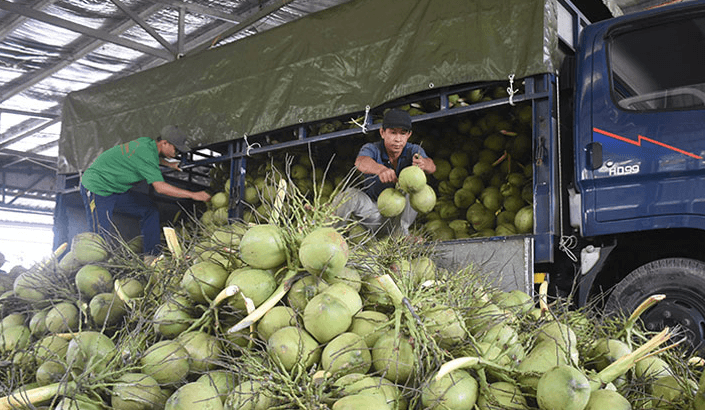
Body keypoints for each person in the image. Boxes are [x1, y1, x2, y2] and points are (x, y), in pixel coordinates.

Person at [79, 125, 211, 256]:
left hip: (116, 190)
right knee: (99, 233)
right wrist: (194, 195)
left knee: (149, 210)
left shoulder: (147, 143)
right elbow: (160, 187)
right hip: (97, 187)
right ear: (165, 143)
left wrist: (169, 164)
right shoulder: (146, 153)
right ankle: (94, 265)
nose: (176, 154)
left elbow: (150, 160)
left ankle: (151, 256)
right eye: (176, 150)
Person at [336, 109, 436, 236]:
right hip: (374, 214)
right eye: (393, 133)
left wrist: (424, 164)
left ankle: (401, 234)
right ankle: (333, 235)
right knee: (349, 195)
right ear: (382, 132)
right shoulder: (372, 148)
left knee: (415, 186)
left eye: (402, 134)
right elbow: (360, 162)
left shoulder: (413, 150)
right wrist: (380, 170)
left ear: (408, 135)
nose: (398, 139)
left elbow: (432, 167)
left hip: (399, 218)